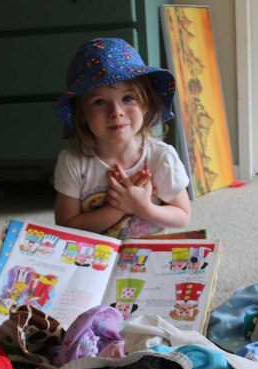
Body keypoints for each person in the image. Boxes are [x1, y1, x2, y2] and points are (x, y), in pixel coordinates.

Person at [52, 37, 192, 239]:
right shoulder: (72, 162)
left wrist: (142, 207)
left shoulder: (161, 157)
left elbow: (182, 216)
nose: (116, 112)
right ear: (81, 112)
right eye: (99, 101)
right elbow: (66, 225)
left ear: (144, 104)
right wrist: (118, 208)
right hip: (92, 257)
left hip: (147, 256)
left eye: (128, 98)